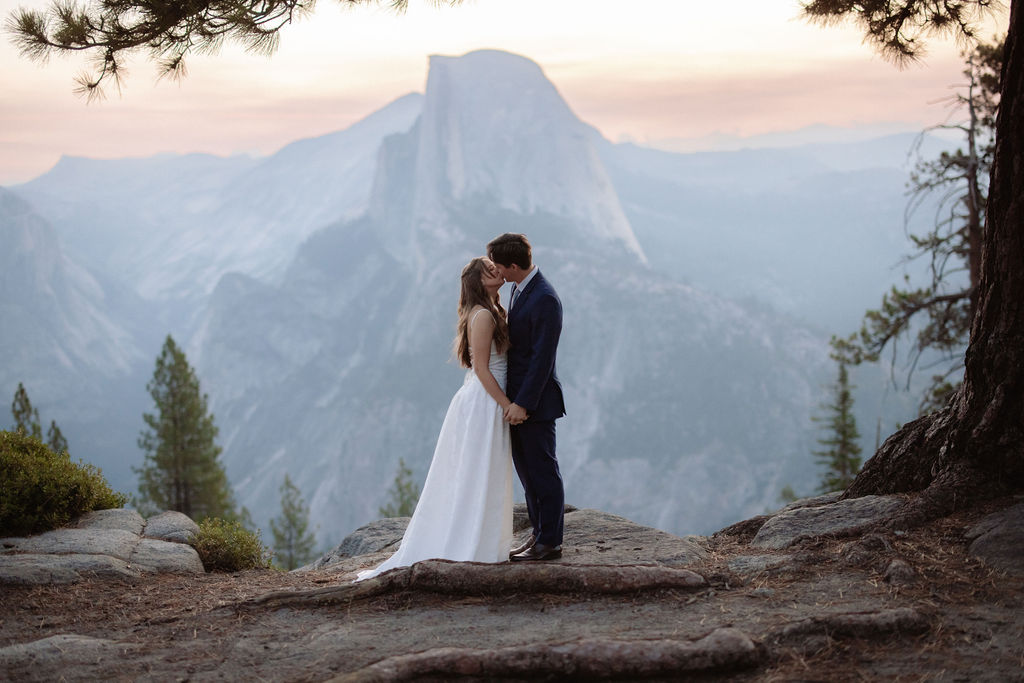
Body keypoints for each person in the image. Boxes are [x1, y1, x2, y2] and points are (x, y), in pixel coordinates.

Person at [356, 257, 514, 581]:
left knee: (484, 472)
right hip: (484, 402)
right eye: (489, 270)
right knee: (478, 472)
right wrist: (506, 404)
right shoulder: (483, 316)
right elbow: (482, 369)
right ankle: (471, 545)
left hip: (482, 399)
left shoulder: (492, 310)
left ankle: (480, 541)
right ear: (479, 281)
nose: (497, 270)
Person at [486, 233, 566, 562]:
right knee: (527, 474)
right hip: (516, 401)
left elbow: (542, 360)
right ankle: (538, 535)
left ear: (514, 265)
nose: (496, 272)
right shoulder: (520, 290)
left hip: (534, 403)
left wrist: (523, 404)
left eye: (499, 266)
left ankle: (550, 543)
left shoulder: (545, 298)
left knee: (543, 471)